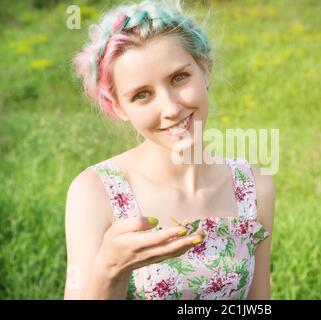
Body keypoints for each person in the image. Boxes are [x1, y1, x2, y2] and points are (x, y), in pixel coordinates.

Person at [64, 0, 275, 300]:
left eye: (179, 77)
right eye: (142, 95)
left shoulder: (253, 184)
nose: (171, 108)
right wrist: (110, 269)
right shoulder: (94, 192)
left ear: (206, 70)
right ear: (118, 107)